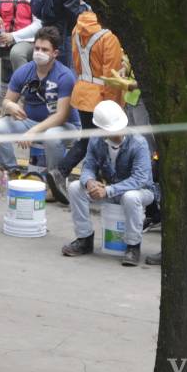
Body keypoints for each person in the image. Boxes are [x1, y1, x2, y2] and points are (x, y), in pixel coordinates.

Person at [0, 26, 82, 196]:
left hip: (65, 127)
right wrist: (10, 106)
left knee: (51, 136)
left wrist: (33, 131)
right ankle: (11, 174)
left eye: (45, 49)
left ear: (55, 53)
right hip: (31, 122)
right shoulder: (25, 71)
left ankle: (55, 182)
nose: (39, 52)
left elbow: (61, 116)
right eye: (37, 48)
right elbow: (7, 100)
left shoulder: (65, 76)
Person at [61, 100, 156, 266]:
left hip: (140, 192)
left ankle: (133, 245)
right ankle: (84, 238)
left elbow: (140, 179)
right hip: (109, 189)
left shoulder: (138, 143)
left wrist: (109, 190)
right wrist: (90, 182)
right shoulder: (96, 140)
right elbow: (88, 166)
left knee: (131, 197)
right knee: (76, 187)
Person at [49, 8, 125, 190]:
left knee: (93, 138)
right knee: (93, 140)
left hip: (83, 92)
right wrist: (113, 104)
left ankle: (95, 180)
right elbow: (111, 76)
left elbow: (76, 62)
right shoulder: (109, 36)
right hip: (101, 96)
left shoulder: (77, 29)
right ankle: (61, 171)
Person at [31, 0, 83, 68]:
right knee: (65, 68)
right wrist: (85, 9)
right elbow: (73, 13)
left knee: (47, 66)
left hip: (46, 29)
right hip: (65, 33)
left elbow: (34, 5)